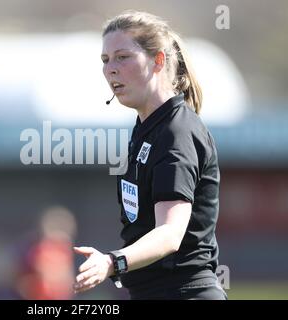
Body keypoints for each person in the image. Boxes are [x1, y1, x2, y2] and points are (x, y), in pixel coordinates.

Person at [73, 10, 227, 300]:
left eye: (122, 57)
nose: (110, 69)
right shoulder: (146, 129)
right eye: (105, 61)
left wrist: (112, 261)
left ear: (158, 61)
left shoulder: (176, 131)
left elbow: (169, 233)